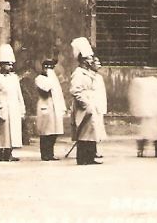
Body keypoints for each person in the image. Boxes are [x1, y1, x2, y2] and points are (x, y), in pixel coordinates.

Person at [69, 37, 105, 165]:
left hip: (90, 105)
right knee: (84, 133)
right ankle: (83, 158)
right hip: (83, 107)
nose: (91, 60)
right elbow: (75, 91)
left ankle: (90, 157)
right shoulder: (78, 73)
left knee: (91, 132)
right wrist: (86, 105)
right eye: (89, 58)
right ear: (83, 60)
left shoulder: (88, 73)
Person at [0, 44, 25, 162]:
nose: (10, 66)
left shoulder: (14, 78)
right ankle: (0, 154)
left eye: (11, 64)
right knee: (1, 133)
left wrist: (22, 109)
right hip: (2, 108)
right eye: (7, 64)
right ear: (1, 64)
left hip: (13, 108)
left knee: (12, 132)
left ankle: (9, 153)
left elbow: (19, 95)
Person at [34, 58, 65, 161]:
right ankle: (45, 154)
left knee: (54, 132)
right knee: (46, 132)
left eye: (52, 67)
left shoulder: (53, 79)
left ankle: (50, 153)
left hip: (54, 107)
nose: (50, 70)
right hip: (45, 106)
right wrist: (52, 76)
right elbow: (46, 88)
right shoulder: (40, 78)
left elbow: (59, 93)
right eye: (48, 67)